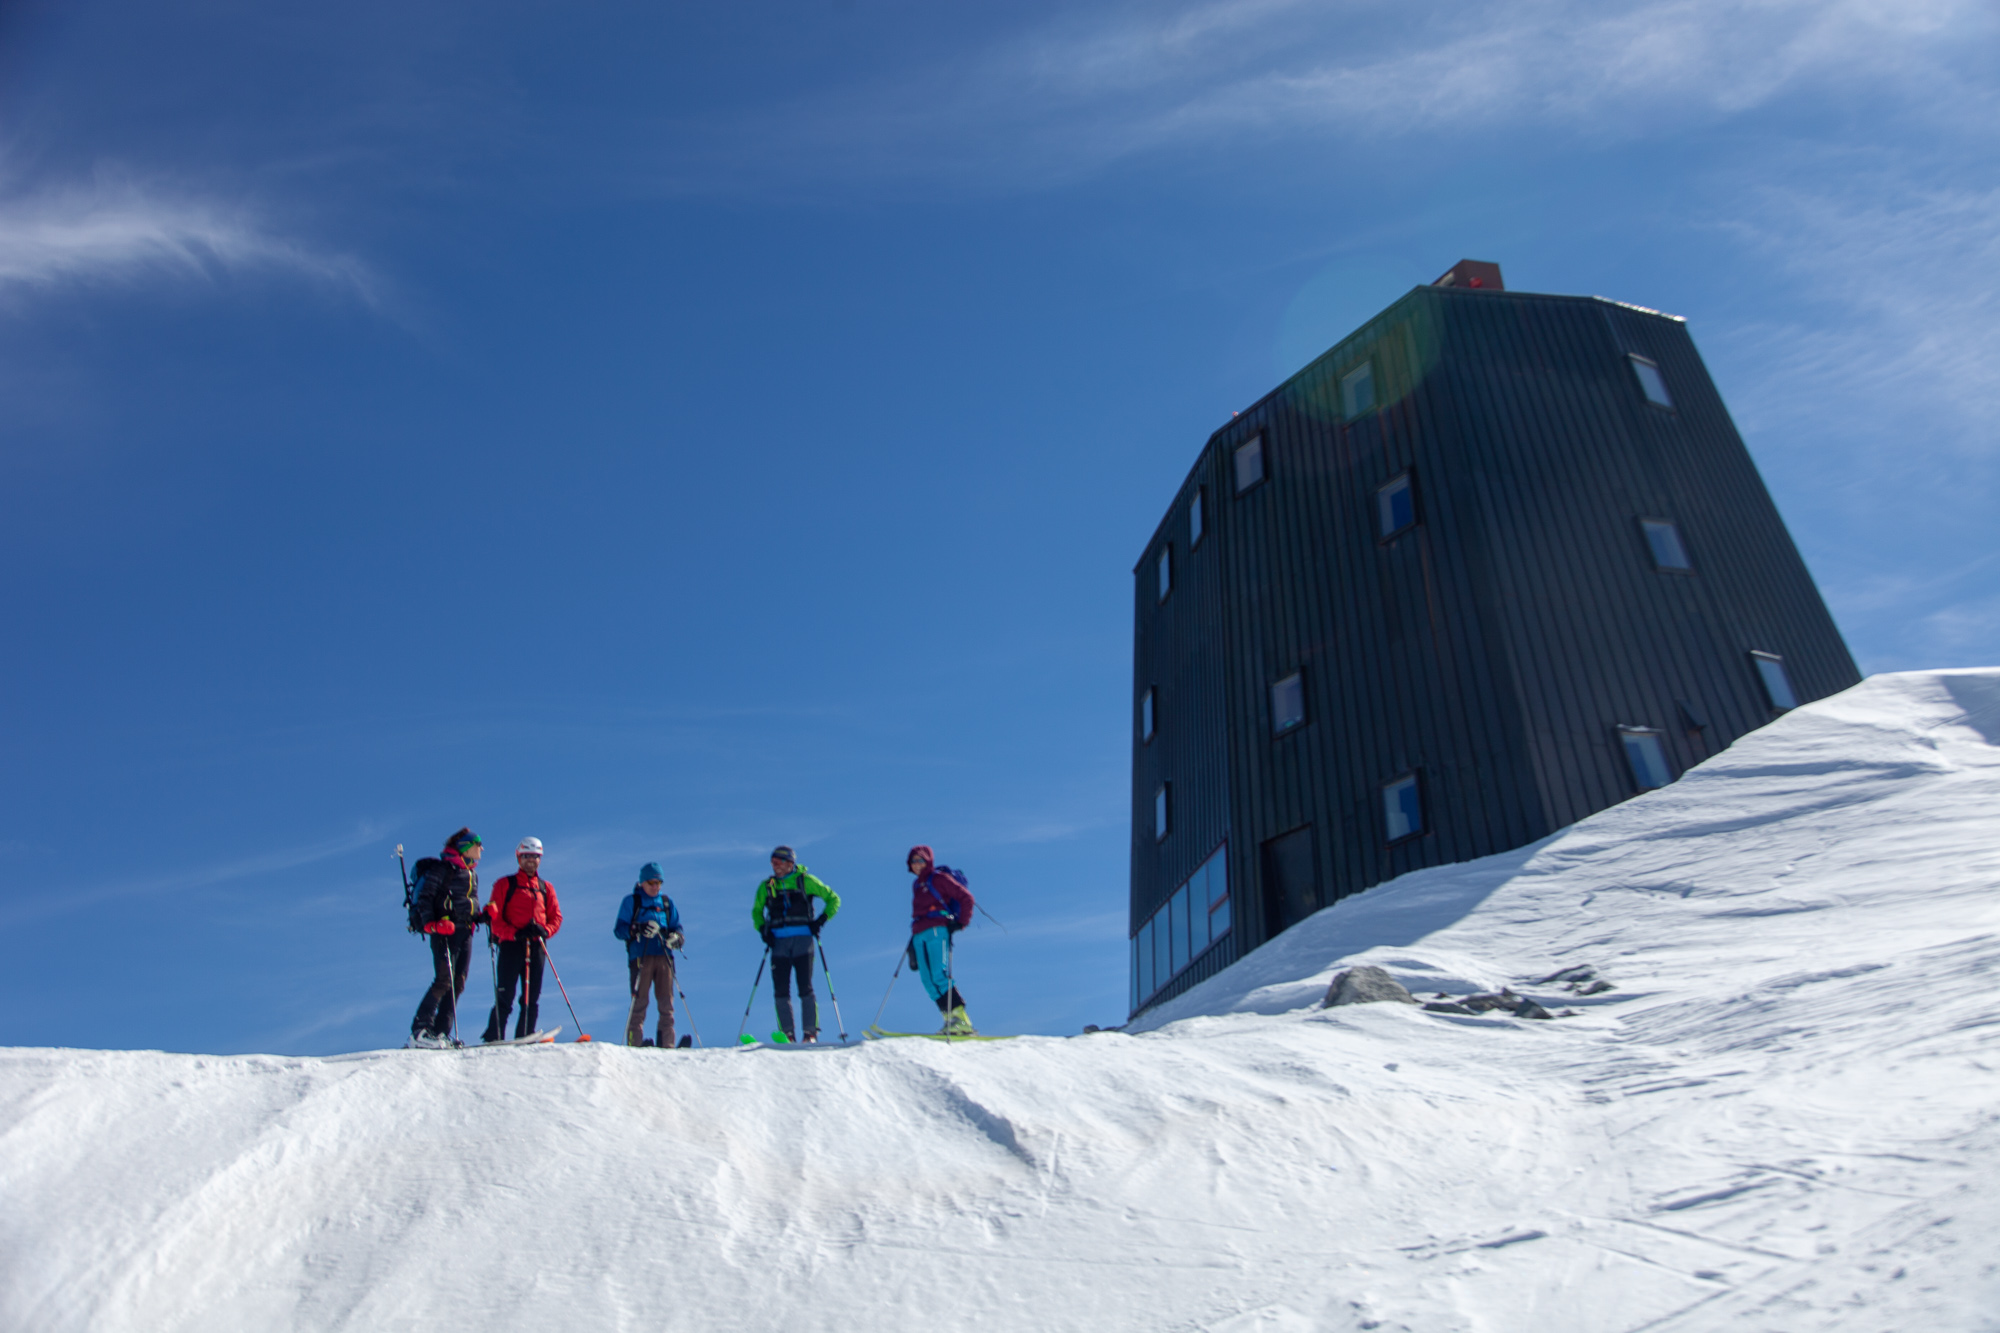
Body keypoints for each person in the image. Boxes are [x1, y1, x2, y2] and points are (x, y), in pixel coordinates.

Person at [750, 845, 838, 1043]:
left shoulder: (806, 881)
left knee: (804, 986)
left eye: (778, 862)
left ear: (790, 863)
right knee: (781, 989)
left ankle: (810, 1033)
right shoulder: (767, 886)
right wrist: (763, 930)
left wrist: (821, 920)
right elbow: (756, 912)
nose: (775, 866)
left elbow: (833, 899)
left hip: (803, 940)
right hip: (778, 942)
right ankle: (787, 1034)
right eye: (772, 862)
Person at [480, 836, 564, 1042]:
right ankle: (494, 1035)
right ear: (518, 858)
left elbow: (556, 917)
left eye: (535, 857)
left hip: (537, 945)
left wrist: (545, 931)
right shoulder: (504, 884)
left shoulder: (546, 888)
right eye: (526, 856)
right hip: (511, 945)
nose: (531, 861)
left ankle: (525, 1033)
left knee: (532, 996)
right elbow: (495, 919)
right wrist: (514, 933)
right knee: (505, 994)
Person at [409, 828, 485, 1048]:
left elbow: (466, 905)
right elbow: (426, 897)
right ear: (466, 847)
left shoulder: (471, 873)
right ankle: (421, 1030)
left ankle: (441, 1032)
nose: (481, 849)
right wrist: (431, 924)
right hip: (444, 931)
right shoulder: (444, 869)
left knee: (457, 983)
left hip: (465, 931)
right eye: (478, 844)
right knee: (444, 979)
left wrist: (482, 916)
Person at [906, 845, 975, 1035]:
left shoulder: (939, 879)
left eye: (921, 860)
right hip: (919, 933)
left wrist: (961, 922)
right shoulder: (916, 885)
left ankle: (961, 1019)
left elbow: (966, 897)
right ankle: (949, 1018)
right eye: (913, 861)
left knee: (938, 973)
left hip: (937, 930)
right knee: (927, 980)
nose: (917, 864)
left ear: (928, 861)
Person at [614, 862, 685, 1048]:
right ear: (643, 882)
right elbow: (619, 930)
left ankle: (667, 1043)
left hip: (664, 956)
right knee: (639, 1003)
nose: (656, 887)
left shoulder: (667, 903)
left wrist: (676, 938)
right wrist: (637, 928)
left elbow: (677, 927)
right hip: (641, 957)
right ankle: (634, 1043)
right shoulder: (632, 901)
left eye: (659, 883)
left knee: (666, 1003)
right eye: (652, 882)